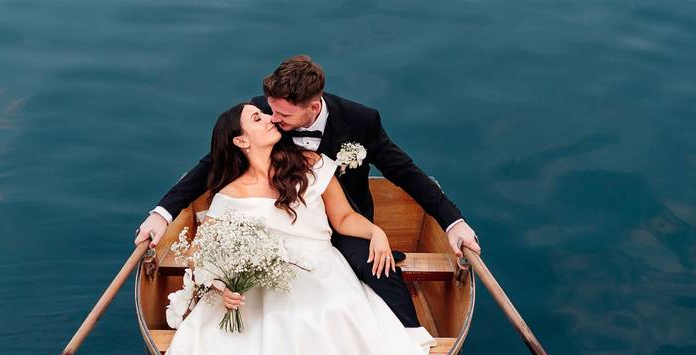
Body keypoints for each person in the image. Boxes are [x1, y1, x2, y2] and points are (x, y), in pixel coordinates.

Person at [136, 55, 481, 328]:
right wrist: (161, 214)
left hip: (342, 223)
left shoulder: (361, 121)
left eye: (283, 115)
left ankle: (414, 341)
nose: (273, 119)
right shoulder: (263, 114)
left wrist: (453, 223)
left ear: (313, 107)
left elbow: (405, 172)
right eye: (269, 110)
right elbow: (210, 165)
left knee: (380, 270)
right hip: (279, 228)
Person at [163, 103, 436, 355]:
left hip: (322, 271)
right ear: (240, 142)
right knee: (254, 339)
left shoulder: (312, 164)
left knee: (325, 318)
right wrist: (223, 287)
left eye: (267, 113)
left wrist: (375, 232)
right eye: (258, 118)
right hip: (263, 285)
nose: (270, 119)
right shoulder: (228, 195)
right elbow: (201, 254)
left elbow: (344, 218)